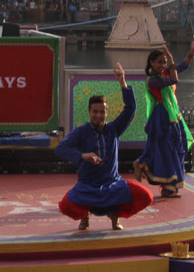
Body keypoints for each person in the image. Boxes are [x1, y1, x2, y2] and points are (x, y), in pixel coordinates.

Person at [55, 63, 152, 230]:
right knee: (65, 205)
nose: (98, 115)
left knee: (146, 196)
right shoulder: (81, 132)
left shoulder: (114, 129)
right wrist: (82, 156)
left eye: (102, 112)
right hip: (88, 185)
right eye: (95, 111)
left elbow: (130, 109)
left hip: (112, 183)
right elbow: (60, 148)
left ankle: (115, 216)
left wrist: (123, 82)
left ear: (107, 112)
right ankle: (84, 216)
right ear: (89, 112)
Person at [133, 36, 194, 197]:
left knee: (177, 147)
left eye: (164, 62)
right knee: (165, 149)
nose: (162, 65)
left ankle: (170, 186)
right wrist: (170, 61)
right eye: (159, 62)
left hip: (173, 115)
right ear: (151, 64)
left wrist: (192, 50)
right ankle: (143, 165)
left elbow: (184, 65)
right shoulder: (153, 81)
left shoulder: (166, 72)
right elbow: (174, 79)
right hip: (162, 118)